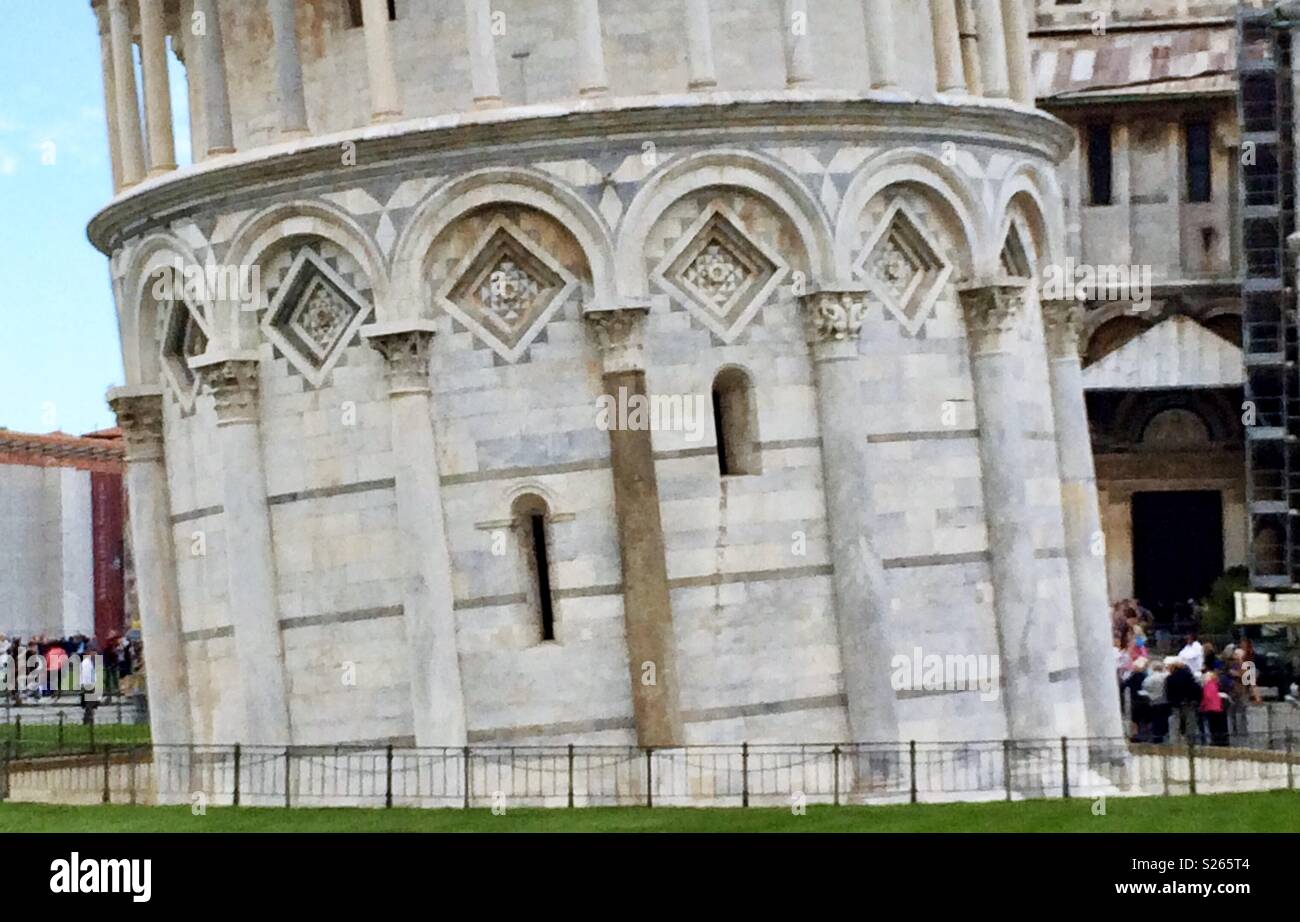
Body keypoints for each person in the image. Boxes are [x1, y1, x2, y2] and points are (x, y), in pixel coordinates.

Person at [1165, 658, 1201, 743]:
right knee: (1190, 724)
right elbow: (1197, 689)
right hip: (1189, 703)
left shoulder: (1170, 678)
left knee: (1176, 724)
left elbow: (1168, 693)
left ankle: (1176, 742)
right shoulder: (1189, 677)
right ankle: (1190, 742)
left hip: (1176, 704)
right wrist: (1196, 700)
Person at [1142, 659, 1171, 743]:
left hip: (1154, 701)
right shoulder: (1166, 676)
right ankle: (1166, 737)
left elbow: (1145, 688)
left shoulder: (1149, 678)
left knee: (1156, 721)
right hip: (1166, 701)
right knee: (1165, 721)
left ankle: (1157, 738)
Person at [1200, 669, 1228, 746]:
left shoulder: (1207, 686)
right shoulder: (1216, 685)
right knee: (1220, 727)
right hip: (1219, 708)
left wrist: (1202, 707)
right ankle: (1222, 741)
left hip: (1210, 708)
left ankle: (1216, 742)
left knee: (1213, 727)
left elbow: (1206, 697)